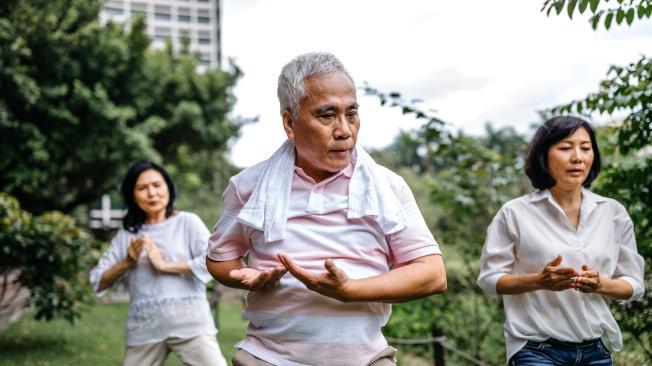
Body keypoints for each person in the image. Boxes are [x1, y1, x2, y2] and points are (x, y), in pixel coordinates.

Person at [206, 52, 447, 366]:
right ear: (290, 123)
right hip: (266, 358)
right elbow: (219, 260)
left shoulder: (388, 187)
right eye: (327, 115)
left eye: (352, 113)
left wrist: (350, 290)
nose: (344, 130)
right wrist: (246, 277)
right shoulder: (248, 187)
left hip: (367, 359)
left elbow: (432, 274)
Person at [477, 116, 645, 365]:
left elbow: (634, 284)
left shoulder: (613, 212)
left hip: (597, 351)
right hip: (535, 349)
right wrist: (539, 281)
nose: (577, 157)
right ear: (543, 156)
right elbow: (489, 280)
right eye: (566, 148)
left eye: (585, 148)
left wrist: (600, 284)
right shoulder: (514, 213)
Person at [89, 160, 227, 366]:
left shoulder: (187, 222)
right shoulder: (127, 235)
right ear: (133, 197)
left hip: (191, 324)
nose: (152, 193)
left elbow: (213, 262)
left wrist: (164, 265)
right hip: (145, 329)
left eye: (157, 185)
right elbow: (98, 281)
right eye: (142, 188)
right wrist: (126, 262)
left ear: (168, 188)